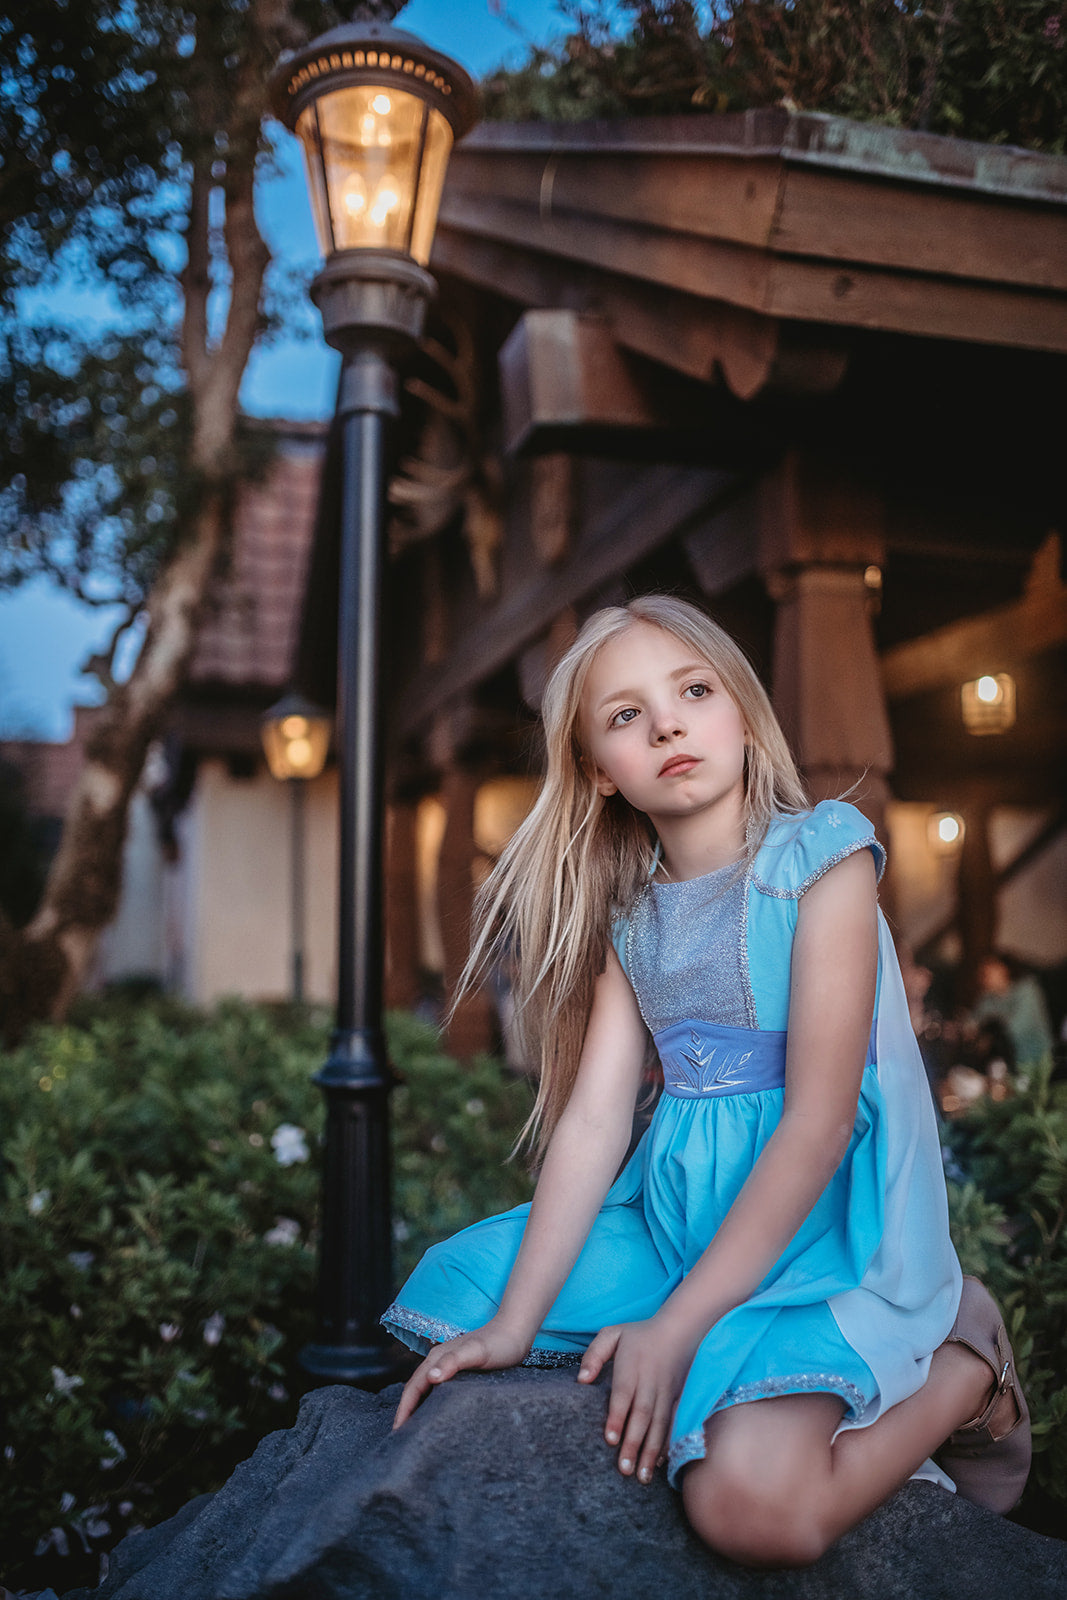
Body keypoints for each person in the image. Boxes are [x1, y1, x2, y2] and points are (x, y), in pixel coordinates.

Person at [384, 596, 1030, 1568]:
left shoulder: (823, 858)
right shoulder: (630, 909)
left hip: (820, 1229)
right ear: (599, 772)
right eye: (625, 714)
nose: (667, 723)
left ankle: (961, 1365)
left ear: (740, 714)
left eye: (692, 691)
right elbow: (597, 1118)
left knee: (750, 1510)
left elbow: (815, 1127)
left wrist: (671, 1327)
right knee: (458, 1293)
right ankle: (640, 1308)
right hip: (679, 1215)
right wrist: (515, 1327)